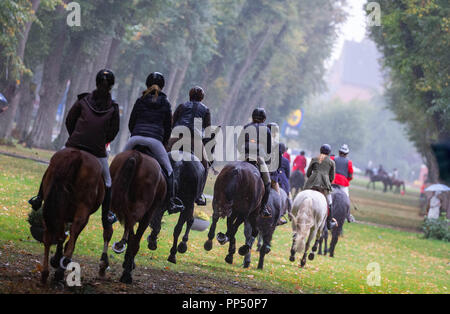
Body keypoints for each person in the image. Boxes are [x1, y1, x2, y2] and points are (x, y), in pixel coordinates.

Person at [29, 69, 120, 225]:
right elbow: (113, 131)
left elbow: (69, 120)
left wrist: (75, 137)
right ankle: (106, 216)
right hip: (97, 151)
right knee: (108, 182)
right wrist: (100, 141)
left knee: (53, 165)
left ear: (96, 82)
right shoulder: (113, 108)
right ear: (111, 86)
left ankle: (39, 198)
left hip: (74, 144)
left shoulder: (83, 100)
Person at [124, 72, 183, 214]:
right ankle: (171, 202)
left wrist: (136, 134)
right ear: (162, 86)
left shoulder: (140, 100)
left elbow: (131, 122)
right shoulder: (166, 103)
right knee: (169, 172)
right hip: (154, 141)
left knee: (117, 166)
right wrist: (162, 142)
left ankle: (109, 196)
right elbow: (168, 127)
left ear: (147, 84)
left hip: (135, 138)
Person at [171, 86, 211, 206]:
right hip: (195, 139)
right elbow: (208, 130)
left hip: (177, 136)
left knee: (161, 157)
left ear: (190, 95)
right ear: (202, 98)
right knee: (205, 166)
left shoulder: (182, 106)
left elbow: (173, 122)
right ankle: (199, 195)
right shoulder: (205, 109)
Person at [237, 108, 272, 218]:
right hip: (258, 158)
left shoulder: (247, 126)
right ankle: (263, 207)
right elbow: (268, 150)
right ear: (264, 118)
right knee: (268, 183)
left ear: (252, 116)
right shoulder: (266, 130)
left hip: (244, 156)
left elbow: (238, 144)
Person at [304, 144, 337, 230]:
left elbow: (308, 173)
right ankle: (329, 222)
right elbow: (332, 177)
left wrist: (312, 179)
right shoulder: (331, 162)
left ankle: (293, 213)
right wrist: (326, 181)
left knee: (302, 196)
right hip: (324, 185)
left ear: (320, 150)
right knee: (329, 202)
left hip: (312, 183)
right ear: (329, 152)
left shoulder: (314, 159)